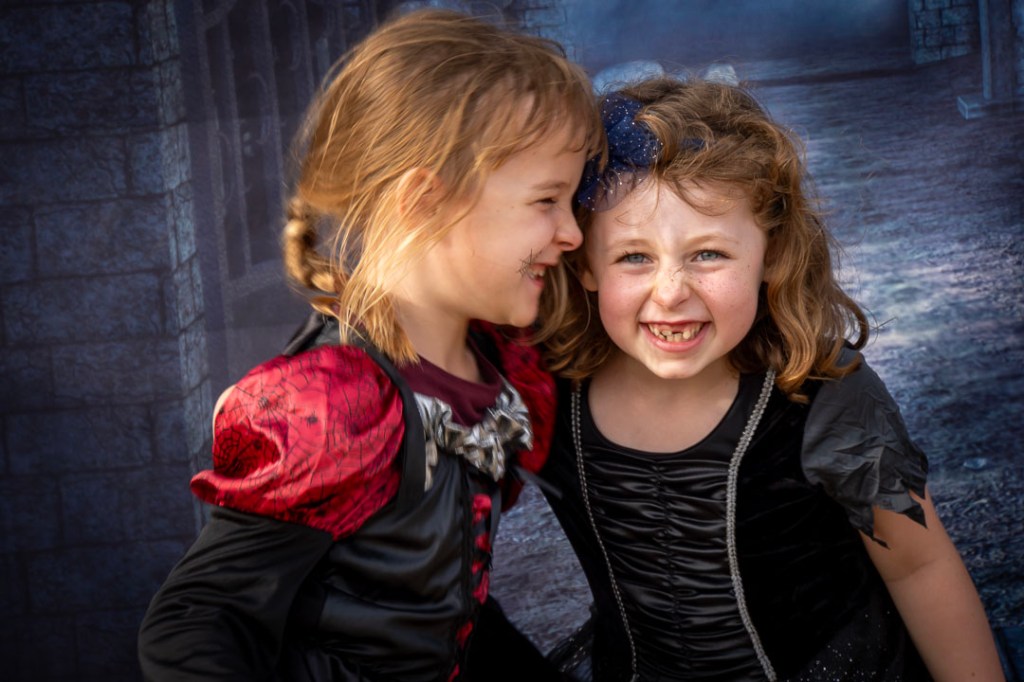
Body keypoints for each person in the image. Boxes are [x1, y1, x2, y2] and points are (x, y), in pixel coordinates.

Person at [138, 8, 601, 681]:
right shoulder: (337, 404)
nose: (573, 233)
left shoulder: (492, 368)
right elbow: (197, 621)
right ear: (427, 201)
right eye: (546, 201)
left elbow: (438, 611)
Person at [538, 77, 1005, 681]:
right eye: (634, 257)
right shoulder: (547, 390)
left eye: (708, 254)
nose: (671, 291)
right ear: (585, 266)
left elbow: (919, 567)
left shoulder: (823, 395)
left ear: (772, 255)